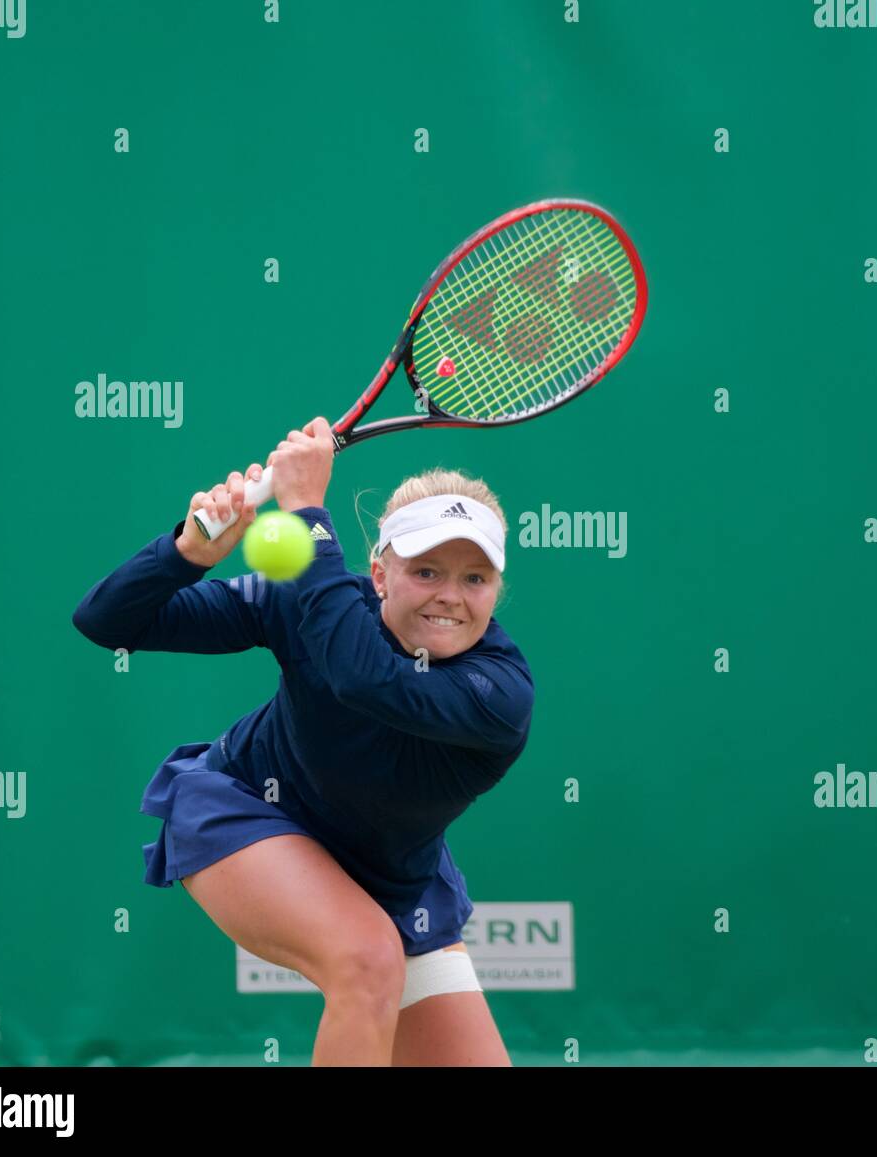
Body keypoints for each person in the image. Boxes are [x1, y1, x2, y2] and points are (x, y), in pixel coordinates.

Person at [71, 416, 534, 1066]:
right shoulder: (308, 598)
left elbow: (361, 676)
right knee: (367, 960)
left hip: (395, 881)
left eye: (475, 578)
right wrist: (186, 555)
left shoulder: (499, 693)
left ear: (496, 591)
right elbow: (106, 619)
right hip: (244, 811)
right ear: (379, 573)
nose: (450, 596)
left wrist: (307, 512)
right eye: (426, 570)